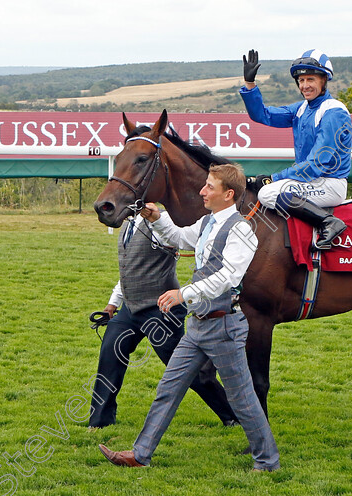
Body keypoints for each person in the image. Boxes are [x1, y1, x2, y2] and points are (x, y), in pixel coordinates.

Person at [98, 163, 280, 472]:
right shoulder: (208, 222)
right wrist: (158, 219)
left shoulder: (242, 230)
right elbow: (180, 238)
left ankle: (267, 461)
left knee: (242, 399)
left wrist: (184, 293)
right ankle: (140, 455)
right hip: (198, 326)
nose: (202, 191)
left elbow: (227, 278)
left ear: (229, 194)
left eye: (210, 187)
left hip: (224, 328)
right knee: (168, 389)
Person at [88, 212, 238, 429]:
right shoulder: (128, 224)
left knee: (185, 368)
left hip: (163, 310)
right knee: (109, 355)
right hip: (130, 310)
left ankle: (232, 414)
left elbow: (181, 241)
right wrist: (113, 303)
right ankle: (100, 422)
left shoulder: (161, 222)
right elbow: (129, 270)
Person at [240, 48, 352, 250]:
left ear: (324, 81)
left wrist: (274, 178)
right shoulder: (301, 108)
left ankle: (329, 222)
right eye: (301, 81)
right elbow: (263, 115)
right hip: (308, 181)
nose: (305, 85)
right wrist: (250, 85)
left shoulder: (333, 111)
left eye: (310, 79)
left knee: (267, 194)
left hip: (329, 184)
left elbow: (319, 162)